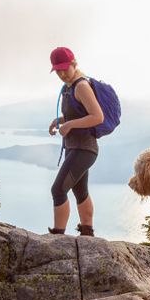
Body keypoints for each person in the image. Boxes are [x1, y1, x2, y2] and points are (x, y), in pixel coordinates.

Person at [47, 46, 104, 236]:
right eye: (58, 70)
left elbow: (97, 117)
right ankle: (87, 231)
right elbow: (77, 113)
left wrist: (69, 126)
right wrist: (60, 120)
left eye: (65, 68)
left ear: (74, 64)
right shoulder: (69, 87)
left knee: (58, 190)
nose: (62, 74)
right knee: (80, 191)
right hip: (75, 148)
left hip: (84, 149)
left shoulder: (81, 86)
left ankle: (58, 235)